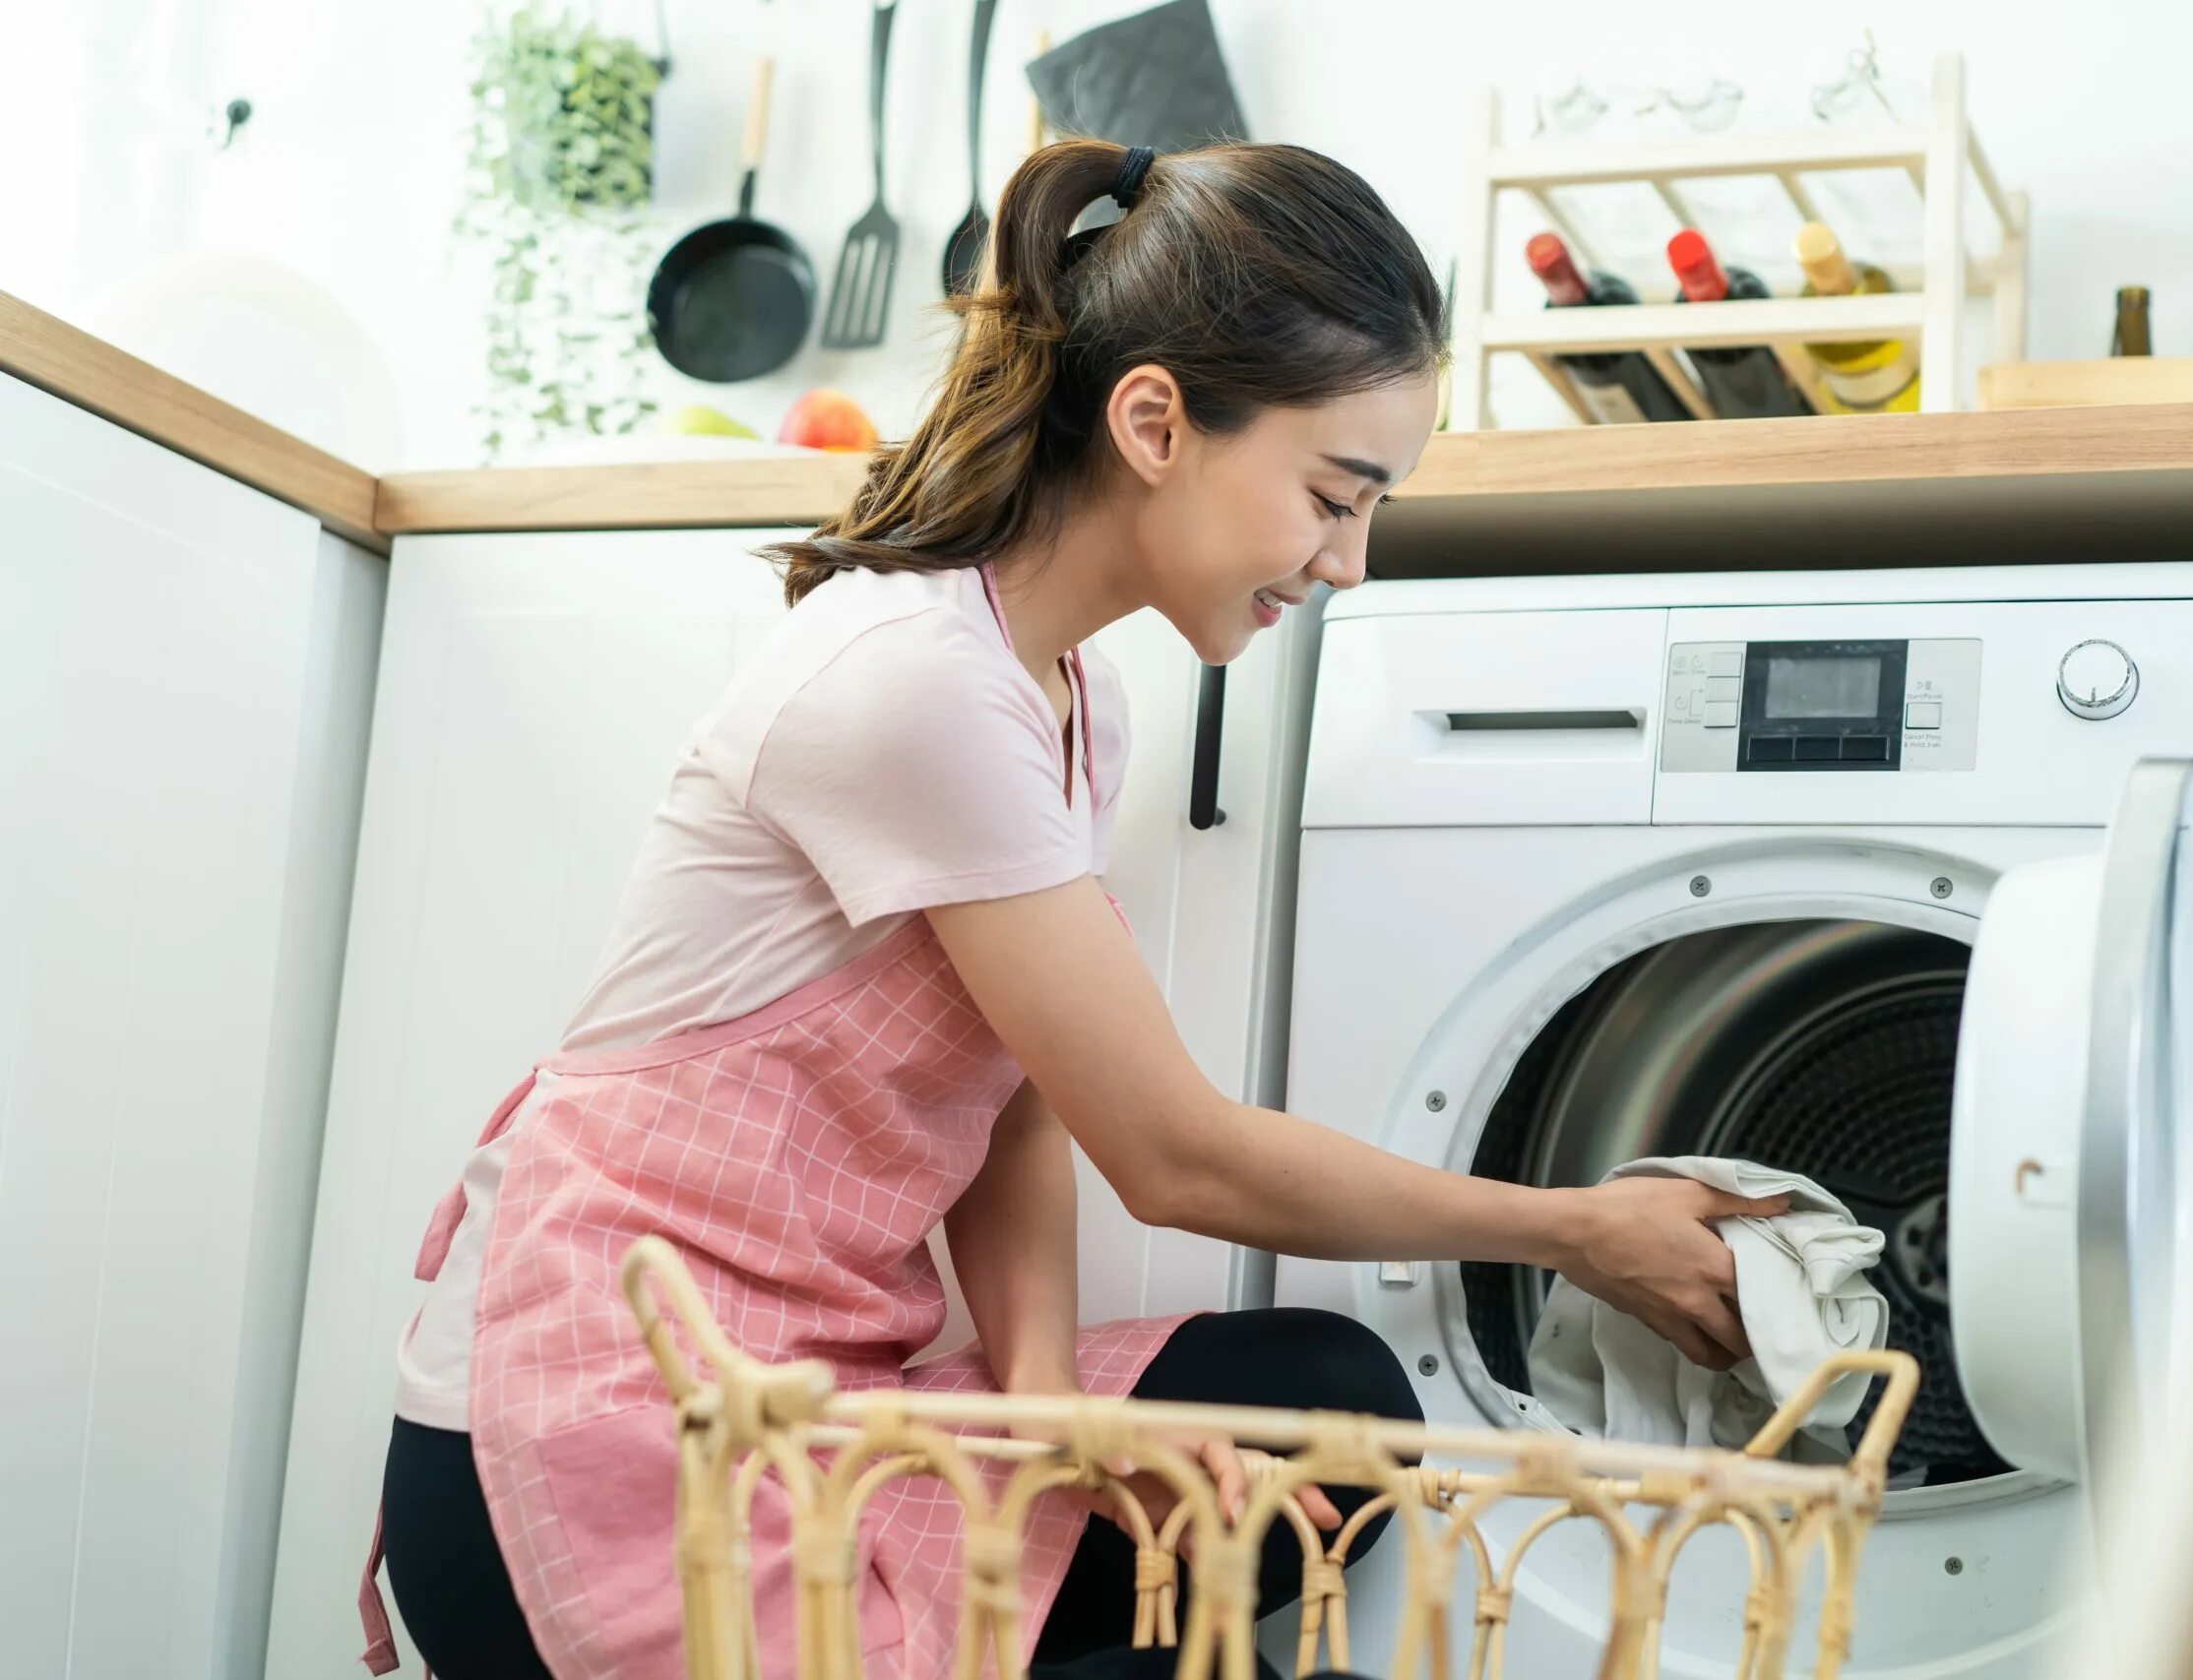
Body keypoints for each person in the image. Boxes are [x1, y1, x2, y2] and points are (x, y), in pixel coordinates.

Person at [365, 139, 1785, 1680]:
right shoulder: (912, 681)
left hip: (831, 1383)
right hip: (607, 1423)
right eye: (1334, 494)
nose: (1352, 561)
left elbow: (1023, 1111)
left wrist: (1050, 1415)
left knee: (1326, 1404)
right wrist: (1574, 1232)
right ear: (1155, 420)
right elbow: (1170, 1156)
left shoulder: (1070, 700)